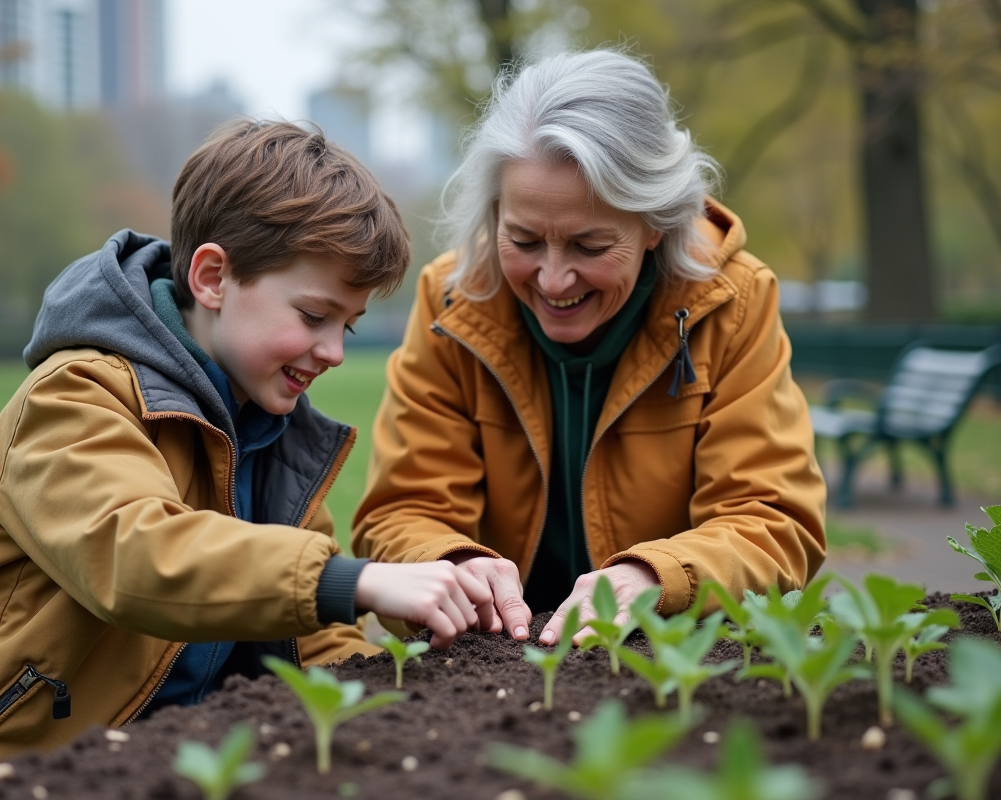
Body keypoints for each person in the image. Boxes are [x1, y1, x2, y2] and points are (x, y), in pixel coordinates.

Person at [0, 121, 493, 798]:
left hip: (132, 764)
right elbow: (134, 551)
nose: (332, 351)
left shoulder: (274, 433)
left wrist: (414, 690)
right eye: (314, 315)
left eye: (346, 326)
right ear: (212, 277)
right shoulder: (78, 396)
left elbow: (307, 641)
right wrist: (355, 582)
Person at [353, 50, 827, 649]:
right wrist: (447, 562)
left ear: (656, 222)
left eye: (590, 246)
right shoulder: (453, 304)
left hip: (667, 656)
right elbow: (402, 509)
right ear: (494, 212)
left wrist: (655, 579)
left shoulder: (732, 302)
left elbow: (773, 521)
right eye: (523, 239)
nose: (553, 280)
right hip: (496, 653)